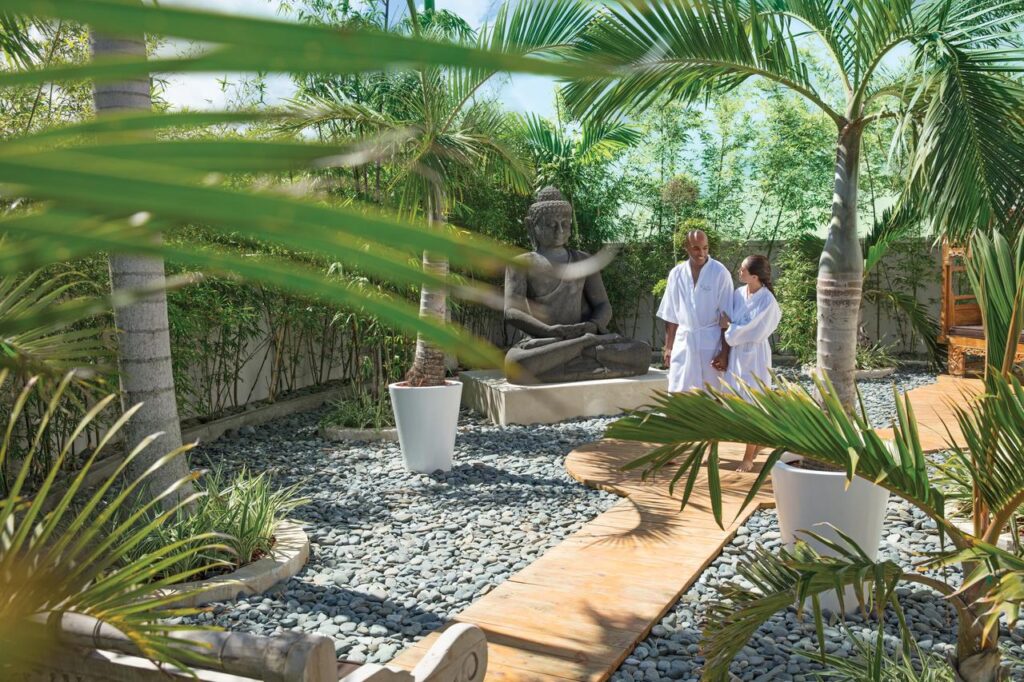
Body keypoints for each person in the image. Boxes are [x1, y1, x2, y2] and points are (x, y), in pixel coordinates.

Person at [719, 254, 782, 471]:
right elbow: (731, 319)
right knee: (733, 399)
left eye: (743, 270)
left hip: (756, 355)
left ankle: (748, 458)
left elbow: (755, 329)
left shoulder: (768, 301)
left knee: (754, 403)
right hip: (737, 355)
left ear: (754, 276)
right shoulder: (738, 293)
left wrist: (730, 328)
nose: (739, 271)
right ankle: (755, 444)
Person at [657, 230, 733, 393]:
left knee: (713, 392)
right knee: (678, 389)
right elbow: (671, 314)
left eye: (705, 248)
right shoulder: (676, 274)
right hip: (683, 341)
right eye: (696, 248)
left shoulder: (719, 272)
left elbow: (727, 317)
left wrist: (725, 353)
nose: (702, 253)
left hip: (711, 342)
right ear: (686, 247)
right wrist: (668, 347)